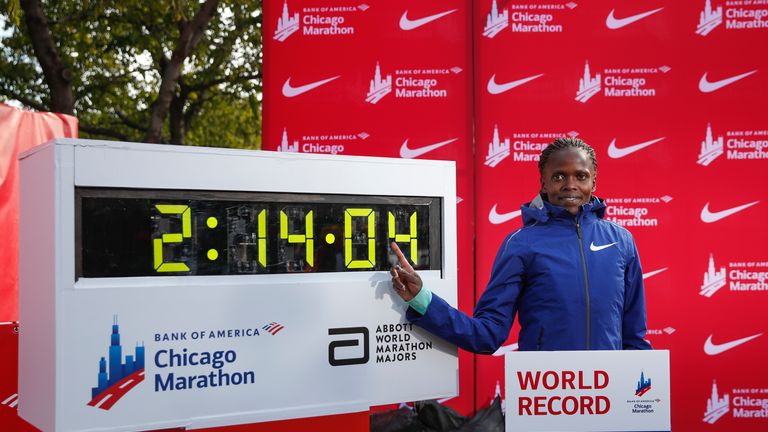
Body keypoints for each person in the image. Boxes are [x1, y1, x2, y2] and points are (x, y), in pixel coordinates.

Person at [390, 137, 651, 353]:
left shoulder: (621, 241)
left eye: (580, 176)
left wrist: (640, 400)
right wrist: (423, 300)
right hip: (544, 396)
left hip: (609, 396)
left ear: (593, 182)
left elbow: (634, 338)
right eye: (559, 176)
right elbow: (487, 334)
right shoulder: (522, 244)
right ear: (544, 183)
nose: (570, 185)